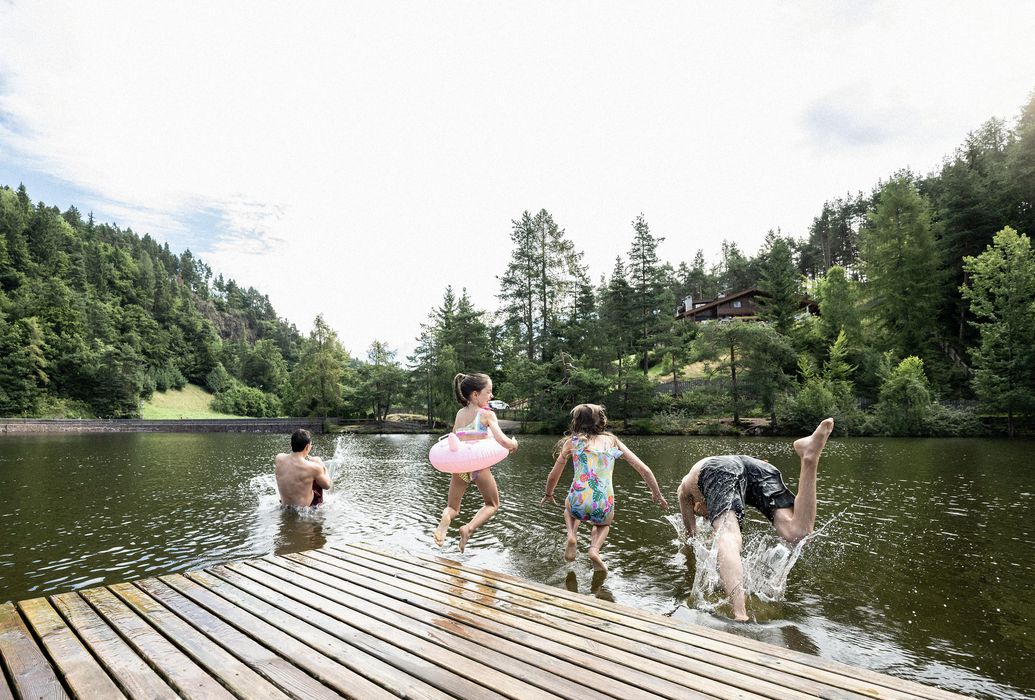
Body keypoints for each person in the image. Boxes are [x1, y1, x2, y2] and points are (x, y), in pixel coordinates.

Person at [677, 417, 834, 621]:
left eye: (702, 514)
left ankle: (740, 614)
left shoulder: (686, 490)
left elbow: (690, 538)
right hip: (757, 467)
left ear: (697, 505)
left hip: (720, 467)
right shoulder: (716, 493)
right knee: (797, 534)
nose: (706, 516)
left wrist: (690, 546)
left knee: (727, 534)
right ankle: (809, 456)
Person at [541, 404, 669, 574]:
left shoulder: (572, 443)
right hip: (603, 503)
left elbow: (553, 475)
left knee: (569, 509)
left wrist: (548, 494)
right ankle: (594, 550)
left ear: (576, 422)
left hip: (578, 500)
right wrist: (657, 494)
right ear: (601, 421)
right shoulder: (612, 441)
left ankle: (571, 535)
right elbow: (644, 470)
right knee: (603, 525)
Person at [433, 373, 518, 552]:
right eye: (489, 391)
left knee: (452, 507)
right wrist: (514, 444)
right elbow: (502, 440)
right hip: (479, 467)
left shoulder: (460, 414)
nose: (491, 395)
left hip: (460, 468)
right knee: (492, 504)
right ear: (475, 394)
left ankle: (445, 519)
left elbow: (453, 438)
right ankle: (468, 528)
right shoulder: (487, 414)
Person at [275, 428, 331, 508]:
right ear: (307, 447)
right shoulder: (314, 468)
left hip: (285, 506)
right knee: (317, 476)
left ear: (291, 444)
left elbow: (294, 468)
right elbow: (327, 486)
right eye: (311, 445)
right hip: (305, 510)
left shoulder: (279, 458)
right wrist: (322, 466)